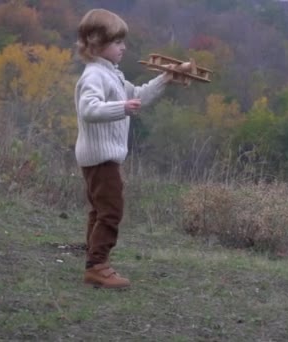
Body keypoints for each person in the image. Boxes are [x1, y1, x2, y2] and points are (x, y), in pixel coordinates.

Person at [75, 8, 186, 288]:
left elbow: (137, 96)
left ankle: (94, 261)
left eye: (122, 41)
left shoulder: (112, 75)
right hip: (101, 157)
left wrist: (165, 78)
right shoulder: (93, 76)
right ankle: (98, 266)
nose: (123, 47)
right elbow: (89, 109)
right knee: (111, 211)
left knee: (100, 211)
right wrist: (121, 108)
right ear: (95, 43)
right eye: (117, 42)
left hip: (102, 157)